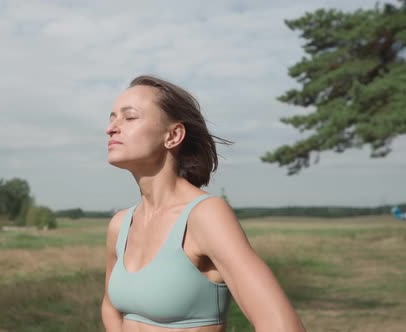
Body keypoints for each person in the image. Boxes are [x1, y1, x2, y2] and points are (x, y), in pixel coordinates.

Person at [100, 75, 306, 332]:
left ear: (173, 135)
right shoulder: (120, 225)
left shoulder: (206, 215)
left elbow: (281, 325)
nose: (111, 128)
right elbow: (111, 308)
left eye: (129, 117)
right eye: (112, 118)